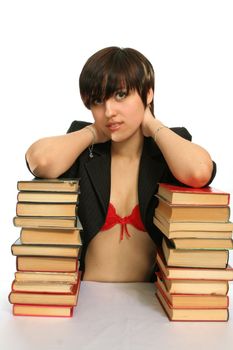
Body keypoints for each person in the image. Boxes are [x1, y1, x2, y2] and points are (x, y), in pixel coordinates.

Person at [25, 46, 216, 282]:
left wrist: (153, 125)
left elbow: (199, 172)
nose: (108, 111)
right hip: (88, 301)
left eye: (121, 95)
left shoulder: (168, 148)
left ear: (148, 94)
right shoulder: (83, 150)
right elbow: (40, 161)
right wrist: (93, 132)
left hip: (149, 306)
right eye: (97, 100)